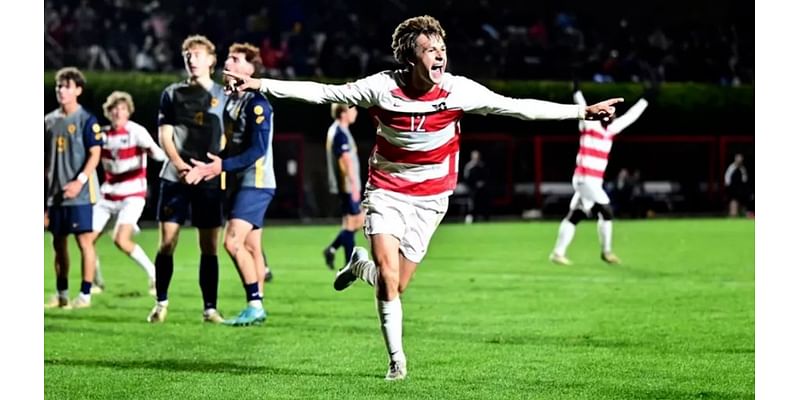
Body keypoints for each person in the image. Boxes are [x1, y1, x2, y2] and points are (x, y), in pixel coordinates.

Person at [223, 15, 622, 380]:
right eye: (430, 50)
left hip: (431, 198)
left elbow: (517, 108)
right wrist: (260, 83)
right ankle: (397, 361)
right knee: (390, 278)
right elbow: (323, 93)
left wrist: (583, 113)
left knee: (394, 284)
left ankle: (360, 267)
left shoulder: (457, 90)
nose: (439, 55)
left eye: (441, 50)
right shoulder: (382, 87)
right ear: (410, 57)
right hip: (387, 191)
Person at [185, 42, 275, 327]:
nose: (228, 62)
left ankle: (255, 304)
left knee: (232, 241)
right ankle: (257, 304)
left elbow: (257, 150)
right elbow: (235, 147)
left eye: (235, 59)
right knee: (251, 246)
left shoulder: (258, 103)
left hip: (257, 181)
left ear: (250, 69)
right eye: (228, 57)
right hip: (242, 180)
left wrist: (221, 165)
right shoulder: (236, 101)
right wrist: (213, 165)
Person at [147, 35, 228, 323]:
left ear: (211, 60)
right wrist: (181, 166)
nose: (191, 60)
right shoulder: (172, 93)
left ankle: (210, 308)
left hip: (208, 179)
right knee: (167, 242)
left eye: (197, 54)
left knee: (209, 245)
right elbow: (164, 134)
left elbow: (230, 137)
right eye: (187, 55)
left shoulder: (226, 94)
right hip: (175, 177)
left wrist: (213, 166)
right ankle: (161, 302)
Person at [549, 82, 650, 266]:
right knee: (606, 210)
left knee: (575, 216)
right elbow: (582, 106)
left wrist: (645, 100)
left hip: (591, 181)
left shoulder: (611, 130)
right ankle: (606, 252)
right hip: (585, 179)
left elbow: (631, 116)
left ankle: (558, 253)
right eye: (610, 112)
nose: (613, 115)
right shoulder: (589, 125)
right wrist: (576, 90)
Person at [88, 91, 166, 297]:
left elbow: (159, 154)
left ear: (128, 112)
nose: (118, 112)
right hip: (108, 196)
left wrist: (152, 150)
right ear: (109, 112)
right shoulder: (102, 135)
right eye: (114, 108)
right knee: (86, 240)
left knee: (120, 240)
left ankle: (154, 274)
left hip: (132, 195)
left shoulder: (136, 131)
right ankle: (96, 282)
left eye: (122, 108)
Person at [44, 67, 103, 309]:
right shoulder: (48, 121)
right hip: (54, 195)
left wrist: (79, 180)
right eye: (59, 86)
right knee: (58, 244)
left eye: (67, 86)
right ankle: (62, 295)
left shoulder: (86, 120)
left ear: (78, 90)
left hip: (79, 194)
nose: (61, 90)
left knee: (84, 243)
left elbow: (95, 154)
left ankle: (85, 295)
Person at [322, 103, 365, 269]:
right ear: (343, 112)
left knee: (356, 222)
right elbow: (345, 160)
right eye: (352, 108)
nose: (355, 112)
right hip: (346, 184)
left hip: (346, 184)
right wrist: (354, 186)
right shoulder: (339, 132)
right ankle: (349, 265)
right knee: (352, 223)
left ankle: (332, 249)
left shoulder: (338, 130)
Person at [463, 149, 490, 223]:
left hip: (482, 189)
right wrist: (474, 184)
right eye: (475, 157)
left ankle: (485, 217)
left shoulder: (482, 166)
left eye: (477, 157)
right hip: (472, 189)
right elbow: (466, 178)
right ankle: (471, 216)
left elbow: (486, 177)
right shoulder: (469, 167)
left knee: (484, 200)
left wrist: (482, 183)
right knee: (472, 202)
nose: (476, 158)